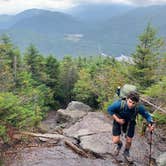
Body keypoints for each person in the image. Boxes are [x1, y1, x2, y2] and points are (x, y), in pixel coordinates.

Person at [107, 91, 154, 162]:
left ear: (136, 103)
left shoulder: (139, 107)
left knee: (129, 141)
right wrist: (117, 119)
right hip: (119, 120)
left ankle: (126, 152)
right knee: (115, 140)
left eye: (133, 103)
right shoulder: (119, 104)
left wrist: (150, 123)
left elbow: (147, 116)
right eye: (130, 101)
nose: (131, 104)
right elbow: (110, 109)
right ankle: (119, 144)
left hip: (130, 122)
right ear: (127, 99)